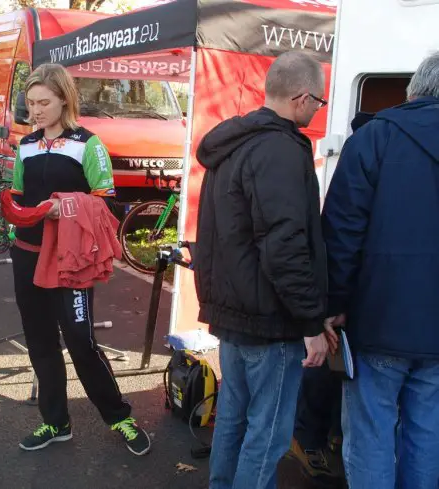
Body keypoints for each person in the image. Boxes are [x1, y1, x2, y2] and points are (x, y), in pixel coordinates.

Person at [193, 51, 336, 489]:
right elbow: (284, 246)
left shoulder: (235, 143)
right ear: (301, 97)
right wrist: (311, 321)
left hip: (235, 314)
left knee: (235, 418)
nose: (318, 111)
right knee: (268, 434)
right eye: (319, 102)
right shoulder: (281, 150)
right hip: (270, 322)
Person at [9, 63, 150, 456]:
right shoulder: (26, 144)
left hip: (70, 260)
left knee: (80, 341)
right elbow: (20, 198)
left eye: (43, 102)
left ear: (64, 99)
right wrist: (9, 209)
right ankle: (55, 422)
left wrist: (63, 209)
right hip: (26, 255)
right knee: (40, 342)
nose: (35, 110)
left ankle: (119, 416)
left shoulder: (89, 144)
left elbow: (108, 206)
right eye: (30, 103)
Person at [321, 52, 439, 489]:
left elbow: (342, 232)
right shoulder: (375, 139)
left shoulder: (374, 139)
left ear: (413, 92)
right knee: (428, 433)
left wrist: (332, 305)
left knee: (371, 432)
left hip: (378, 319)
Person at [286, 111, 374, 486]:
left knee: (337, 368)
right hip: (348, 288)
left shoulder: (373, 147)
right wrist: (328, 306)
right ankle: (309, 439)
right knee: (325, 365)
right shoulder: (370, 147)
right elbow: (339, 228)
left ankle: (320, 437)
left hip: (361, 288)